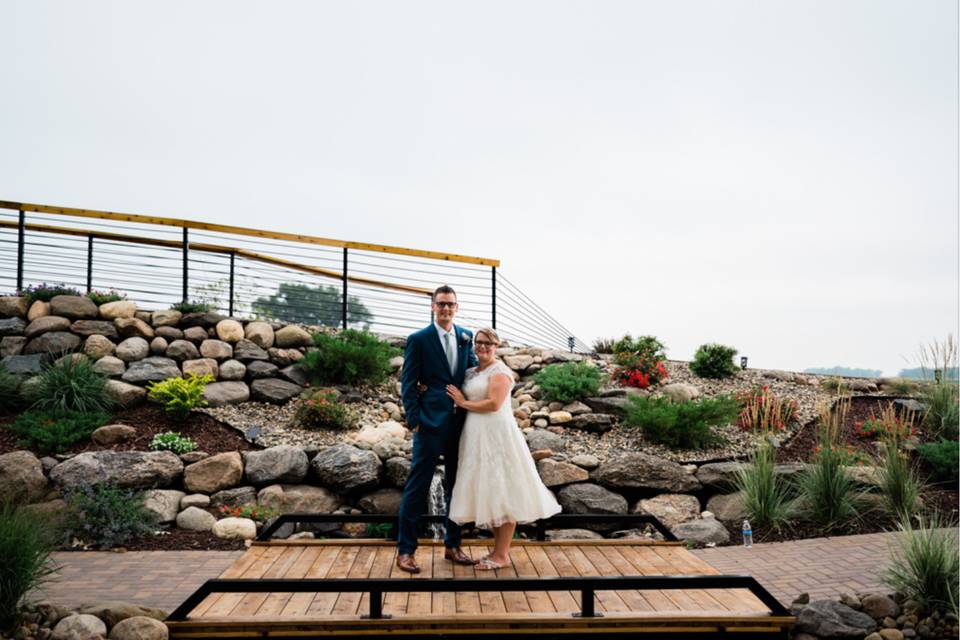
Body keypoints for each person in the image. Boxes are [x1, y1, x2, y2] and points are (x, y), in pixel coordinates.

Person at [446, 327, 562, 570]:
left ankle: (502, 555)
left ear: (496, 346)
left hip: (497, 435)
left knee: (503, 489)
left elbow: (494, 403)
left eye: (488, 343)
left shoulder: (501, 372)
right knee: (490, 490)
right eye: (479, 342)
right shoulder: (470, 372)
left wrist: (462, 402)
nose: (483, 347)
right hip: (475, 435)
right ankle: (497, 551)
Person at [395, 285, 479, 574]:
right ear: (433, 307)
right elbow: (408, 383)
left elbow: (472, 372)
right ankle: (406, 551)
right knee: (417, 488)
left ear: (457, 307)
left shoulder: (466, 336)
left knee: (457, 485)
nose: (446, 309)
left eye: (451, 304)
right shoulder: (419, 339)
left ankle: (452, 545)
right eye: (441, 304)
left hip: (460, 425)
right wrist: (414, 420)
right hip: (428, 424)